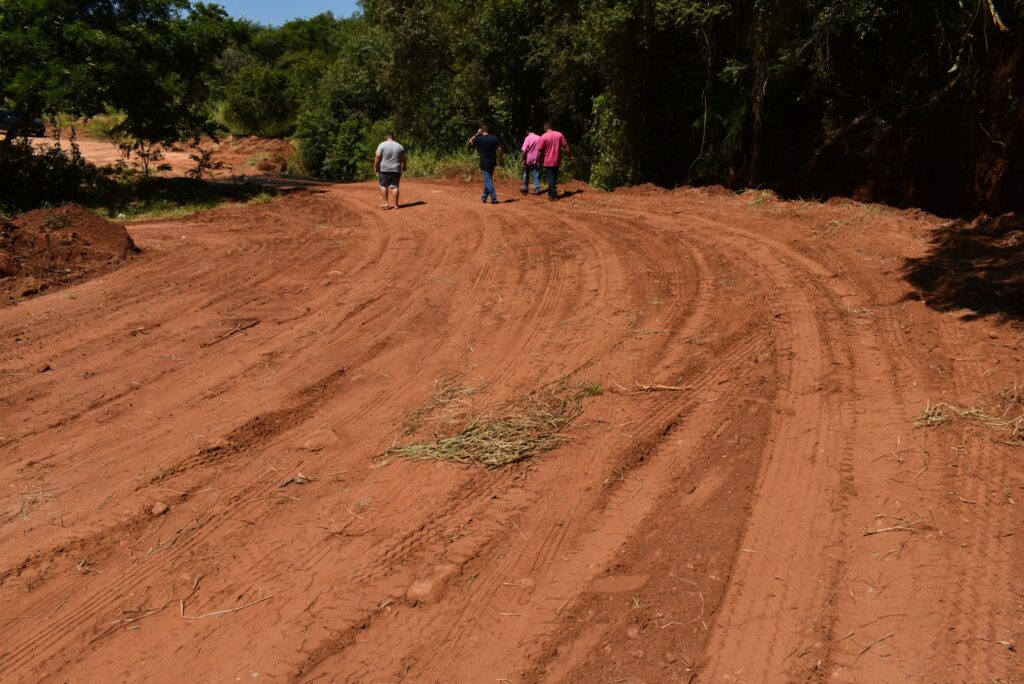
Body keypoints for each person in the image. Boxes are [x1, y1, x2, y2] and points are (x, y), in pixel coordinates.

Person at [536, 121, 574, 201]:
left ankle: (553, 195)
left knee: (551, 178)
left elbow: (540, 151)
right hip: (557, 160)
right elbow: (566, 146)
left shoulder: (543, 137)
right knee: (554, 177)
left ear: (545, 128)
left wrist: (539, 161)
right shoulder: (559, 134)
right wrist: (571, 156)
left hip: (548, 161)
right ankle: (551, 193)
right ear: (551, 127)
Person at [467, 125, 504, 204]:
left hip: (484, 163)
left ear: (482, 131)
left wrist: (477, 134)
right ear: (488, 130)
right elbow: (500, 149)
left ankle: (494, 198)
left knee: (488, 180)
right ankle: (484, 197)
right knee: (489, 180)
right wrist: (501, 160)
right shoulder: (494, 138)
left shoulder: (479, 139)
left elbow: (469, 141)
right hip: (492, 162)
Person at [374, 132, 407, 210]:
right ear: (393, 137)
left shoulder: (382, 144)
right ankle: (396, 205)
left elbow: (378, 156)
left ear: (386, 137)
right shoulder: (399, 146)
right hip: (396, 169)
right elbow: (404, 158)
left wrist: (376, 166)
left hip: (384, 169)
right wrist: (404, 166)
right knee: (395, 186)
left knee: (384, 185)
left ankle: (386, 203)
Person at [520, 126, 542, 195]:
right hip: (537, 158)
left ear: (527, 131)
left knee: (526, 173)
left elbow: (524, 150)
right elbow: (541, 149)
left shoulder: (527, 138)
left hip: (528, 159)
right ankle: (537, 188)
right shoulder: (539, 137)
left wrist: (523, 159)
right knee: (536, 173)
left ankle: (525, 188)